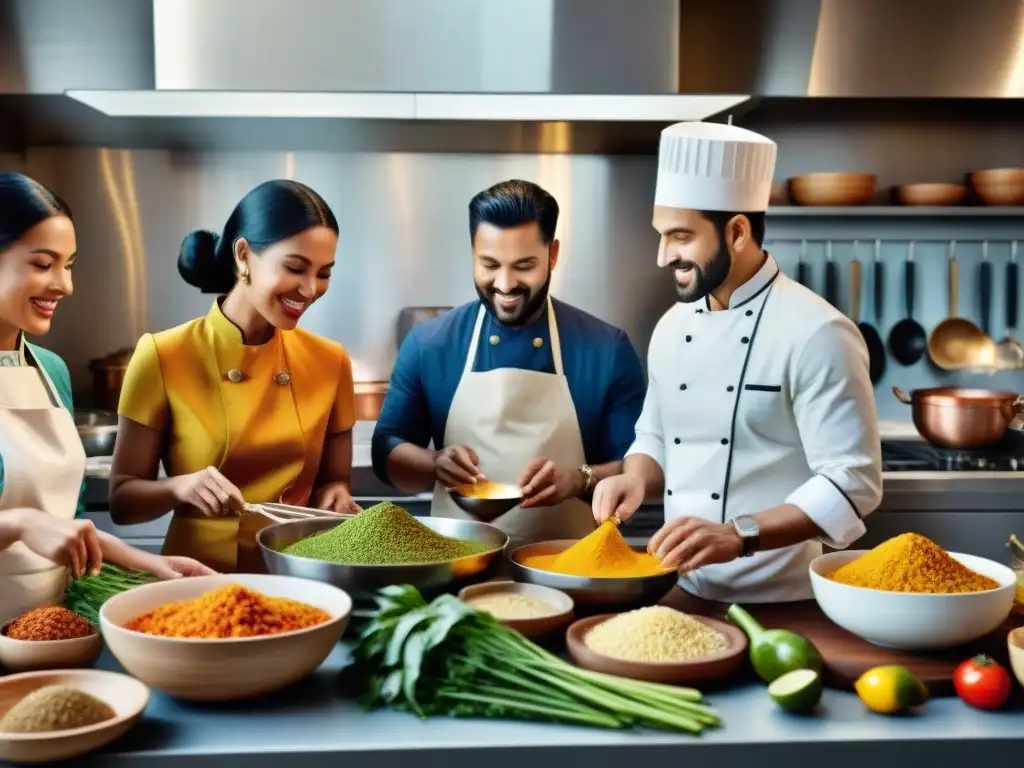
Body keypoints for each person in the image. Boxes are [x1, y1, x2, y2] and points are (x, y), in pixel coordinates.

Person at [592, 122, 883, 603]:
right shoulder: (670, 326)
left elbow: (852, 483)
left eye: (680, 236)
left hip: (785, 598)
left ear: (738, 231)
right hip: (683, 586)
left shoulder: (818, 332)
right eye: (661, 236)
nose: (664, 255)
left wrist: (737, 534)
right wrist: (634, 477)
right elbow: (655, 435)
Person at [372, 179, 647, 549]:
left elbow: (637, 467)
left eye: (524, 265)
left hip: (568, 573)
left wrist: (580, 479)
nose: (505, 284)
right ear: (472, 253)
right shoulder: (429, 344)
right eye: (489, 264)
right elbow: (388, 453)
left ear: (552, 255)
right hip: (455, 569)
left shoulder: (606, 348)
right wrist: (434, 463)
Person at [109, 180, 359, 573]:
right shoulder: (163, 354)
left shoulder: (331, 361)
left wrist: (337, 495)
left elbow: (335, 483)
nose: (311, 289)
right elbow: (122, 502)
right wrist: (179, 486)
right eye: (295, 268)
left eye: (324, 273)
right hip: (197, 579)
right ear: (243, 255)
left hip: (299, 574)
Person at [0, 171, 214, 584]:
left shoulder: (52, 372)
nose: (64, 284)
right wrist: (19, 523)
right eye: (44, 264)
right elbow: (34, 525)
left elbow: (70, 523)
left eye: (69, 265)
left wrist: (148, 563)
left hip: (51, 630)